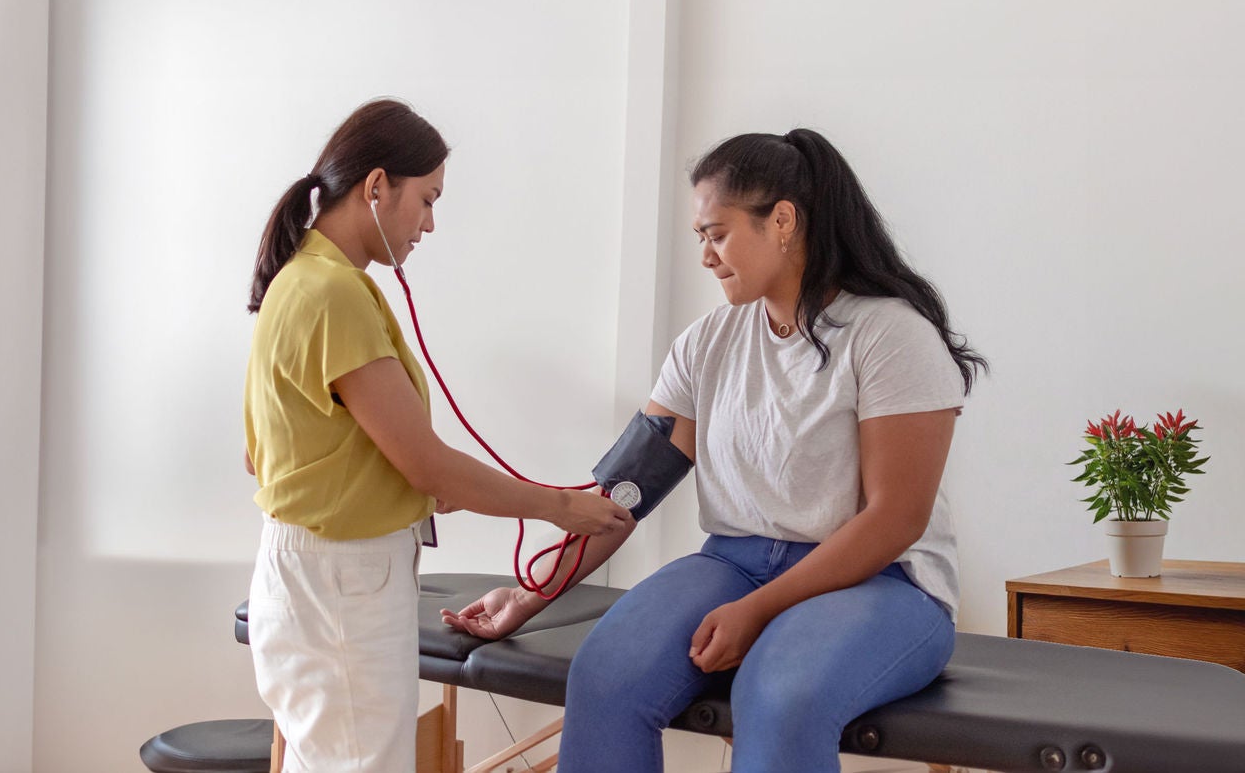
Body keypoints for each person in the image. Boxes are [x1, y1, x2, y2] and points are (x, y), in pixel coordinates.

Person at [445, 128, 986, 773]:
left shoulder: (890, 335)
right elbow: (626, 493)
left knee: (780, 694)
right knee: (605, 673)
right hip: (734, 562)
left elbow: (897, 519)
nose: (705, 255)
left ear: (783, 221)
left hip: (885, 583)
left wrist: (759, 610)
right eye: (700, 237)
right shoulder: (708, 344)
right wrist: (535, 591)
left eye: (717, 233)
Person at [244, 98, 632, 772]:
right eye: (426, 199)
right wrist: (562, 508)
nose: (429, 223)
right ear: (375, 187)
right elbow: (430, 467)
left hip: (308, 573)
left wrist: (407, 479)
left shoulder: (300, 282)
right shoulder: (334, 295)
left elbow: (265, 456)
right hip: (343, 583)